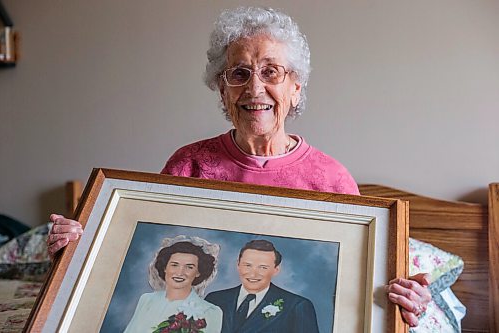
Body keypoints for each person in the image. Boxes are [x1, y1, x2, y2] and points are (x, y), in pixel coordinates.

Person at [47, 6, 431, 328]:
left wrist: (405, 298)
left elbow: (367, 285)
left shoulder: (330, 179)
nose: (254, 88)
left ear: (296, 87)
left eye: (271, 72)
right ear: (222, 89)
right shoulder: (189, 163)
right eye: (239, 73)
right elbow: (147, 258)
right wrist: (82, 251)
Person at [205, 240, 318, 333]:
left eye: (263, 267)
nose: (253, 274)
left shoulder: (297, 306)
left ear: (276, 270)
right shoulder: (215, 299)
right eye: (248, 265)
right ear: (238, 265)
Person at [124, 236, 222, 333]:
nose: (180, 272)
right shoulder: (146, 300)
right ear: (165, 267)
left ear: (198, 272)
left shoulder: (211, 312)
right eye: (174, 265)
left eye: (189, 267)